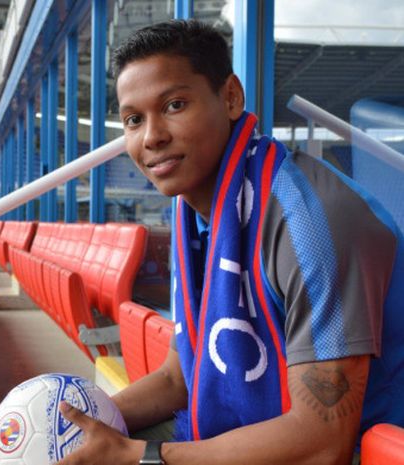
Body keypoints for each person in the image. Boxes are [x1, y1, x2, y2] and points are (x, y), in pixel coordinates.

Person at [56, 20, 404, 465]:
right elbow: (177, 379)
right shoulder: (198, 216)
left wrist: (142, 457)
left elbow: (323, 441)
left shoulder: (312, 223)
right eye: (133, 120)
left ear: (231, 98)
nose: (152, 136)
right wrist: (78, 427)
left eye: (175, 104)